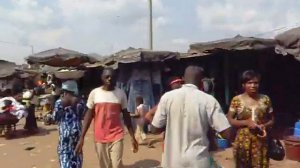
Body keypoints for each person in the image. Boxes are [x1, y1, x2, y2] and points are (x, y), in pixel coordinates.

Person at [150, 65, 231, 168]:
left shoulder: (167, 97)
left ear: (183, 80)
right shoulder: (208, 100)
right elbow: (227, 133)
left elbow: (154, 129)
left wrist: (170, 123)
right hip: (198, 161)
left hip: (172, 161)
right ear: (202, 82)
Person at [75, 68, 138, 168]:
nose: (109, 79)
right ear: (102, 78)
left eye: (112, 77)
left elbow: (126, 115)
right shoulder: (95, 93)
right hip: (100, 136)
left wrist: (132, 136)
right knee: (104, 165)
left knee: (116, 165)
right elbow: (89, 116)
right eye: (107, 77)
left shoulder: (120, 94)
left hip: (117, 134)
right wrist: (82, 137)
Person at [227, 70, 274, 168]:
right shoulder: (237, 100)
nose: (253, 85)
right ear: (243, 85)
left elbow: (272, 120)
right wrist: (246, 122)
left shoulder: (265, 99)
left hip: (261, 141)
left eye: (256, 83)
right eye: (249, 83)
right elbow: (230, 119)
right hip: (242, 142)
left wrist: (264, 126)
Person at [53, 80, 86, 168]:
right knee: (65, 164)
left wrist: (74, 104)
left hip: (75, 140)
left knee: (76, 163)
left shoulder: (80, 102)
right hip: (65, 140)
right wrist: (63, 106)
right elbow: (56, 118)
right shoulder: (59, 103)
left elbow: (82, 115)